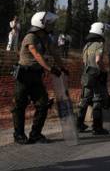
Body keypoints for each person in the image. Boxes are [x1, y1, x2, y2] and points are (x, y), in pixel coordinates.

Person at [11, 11, 68, 144]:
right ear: (41, 24)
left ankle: (35, 134)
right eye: (49, 23)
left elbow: (54, 52)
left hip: (36, 76)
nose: (51, 25)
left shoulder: (46, 38)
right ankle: (18, 135)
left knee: (43, 104)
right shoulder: (30, 37)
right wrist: (51, 69)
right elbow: (36, 54)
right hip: (24, 76)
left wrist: (63, 67)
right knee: (19, 106)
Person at [77, 22, 110, 135]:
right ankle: (97, 127)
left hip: (86, 74)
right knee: (97, 100)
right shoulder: (99, 44)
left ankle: (79, 124)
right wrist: (104, 70)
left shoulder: (86, 46)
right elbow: (98, 60)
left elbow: (83, 61)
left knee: (85, 99)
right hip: (96, 75)